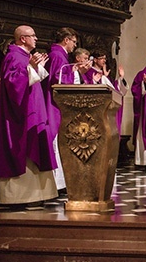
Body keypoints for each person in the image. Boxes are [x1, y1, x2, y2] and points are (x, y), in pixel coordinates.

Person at [0, 25, 58, 205]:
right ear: (22, 39)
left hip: (32, 110)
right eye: (32, 36)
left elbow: (30, 78)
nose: (36, 39)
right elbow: (13, 84)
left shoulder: (23, 56)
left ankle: (36, 195)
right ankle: (21, 197)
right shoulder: (13, 56)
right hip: (21, 115)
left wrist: (37, 67)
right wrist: (30, 68)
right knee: (24, 150)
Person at [42, 27, 83, 193]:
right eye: (73, 42)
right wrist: (74, 73)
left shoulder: (59, 55)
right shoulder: (58, 56)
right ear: (66, 40)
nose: (74, 46)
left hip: (55, 105)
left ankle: (61, 183)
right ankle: (58, 185)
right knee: (57, 143)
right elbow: (58, 83)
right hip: (55, 106)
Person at [85, 49, 128, 133]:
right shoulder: (89, 72)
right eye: (102, 58)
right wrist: (94, 81)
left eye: (105, 58)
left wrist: (121, 78)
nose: (104, 60)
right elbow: (87, 86)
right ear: (95, 59)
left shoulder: (104, 74)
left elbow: (114, 89)